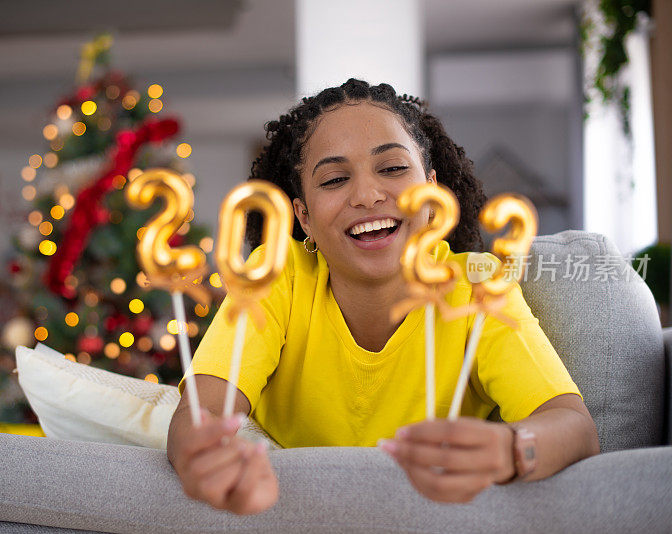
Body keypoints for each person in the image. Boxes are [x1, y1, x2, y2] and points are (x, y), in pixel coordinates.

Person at [166, 78, 599, 515]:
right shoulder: (277, 273)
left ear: (433, 194)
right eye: (335, 179)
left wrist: (511, 449)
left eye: (392, 169)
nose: (368, 196)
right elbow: (201, 411)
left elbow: (574, 427)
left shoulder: (478, 286)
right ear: (304, 217)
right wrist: (206, 457)